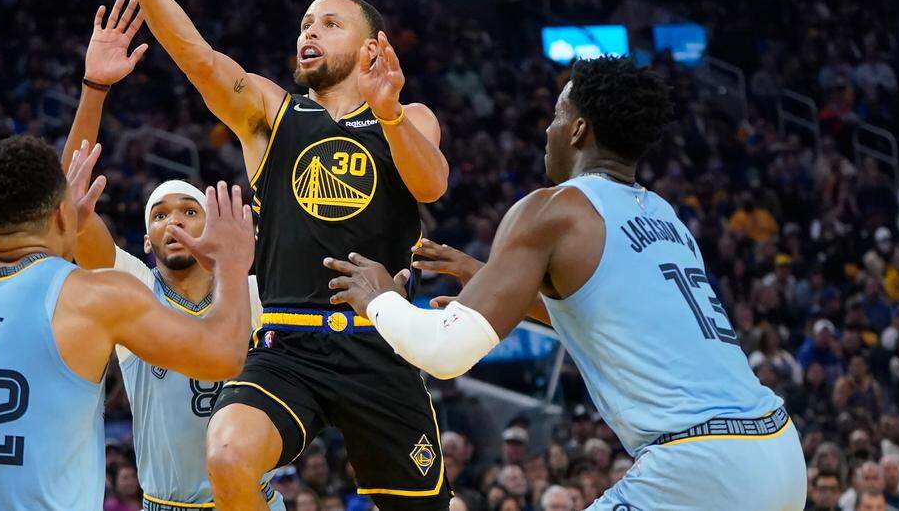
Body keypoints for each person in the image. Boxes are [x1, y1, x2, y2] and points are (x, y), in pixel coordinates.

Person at [96, 0, 451, 511]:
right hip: (289, 342)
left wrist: (389, 111)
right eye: (305, 23)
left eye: (330, 23)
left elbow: (432, 185)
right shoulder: (271, 113)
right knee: (228, 452)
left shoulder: (410, 116)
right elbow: (200, 59)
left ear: (372, 48)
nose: (309, 32)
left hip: (381, 344)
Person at [325, 57, 805, 509]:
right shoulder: (662, 213)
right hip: (777, 448)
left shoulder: (553, 209)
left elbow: (445, 354)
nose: (547, 129)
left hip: (701, 463)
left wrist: (381, 299)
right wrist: (491, 279)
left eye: (557, 116)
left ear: (578, 130)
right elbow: (607, 320)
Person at [0, 135, 254, 510]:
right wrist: (233, 265)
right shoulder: (92, 298)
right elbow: (224, 354)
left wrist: (94, 90)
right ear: (62, 213)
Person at [58, 0, 282, 511]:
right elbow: (71, 203)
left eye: (188, 211)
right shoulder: (131, 288)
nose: (174, 223)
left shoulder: (251, 286)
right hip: (169, 504)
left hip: (257, 500)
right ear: (144, 241)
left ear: (217, 226)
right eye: (160, 216)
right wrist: (94, 90)